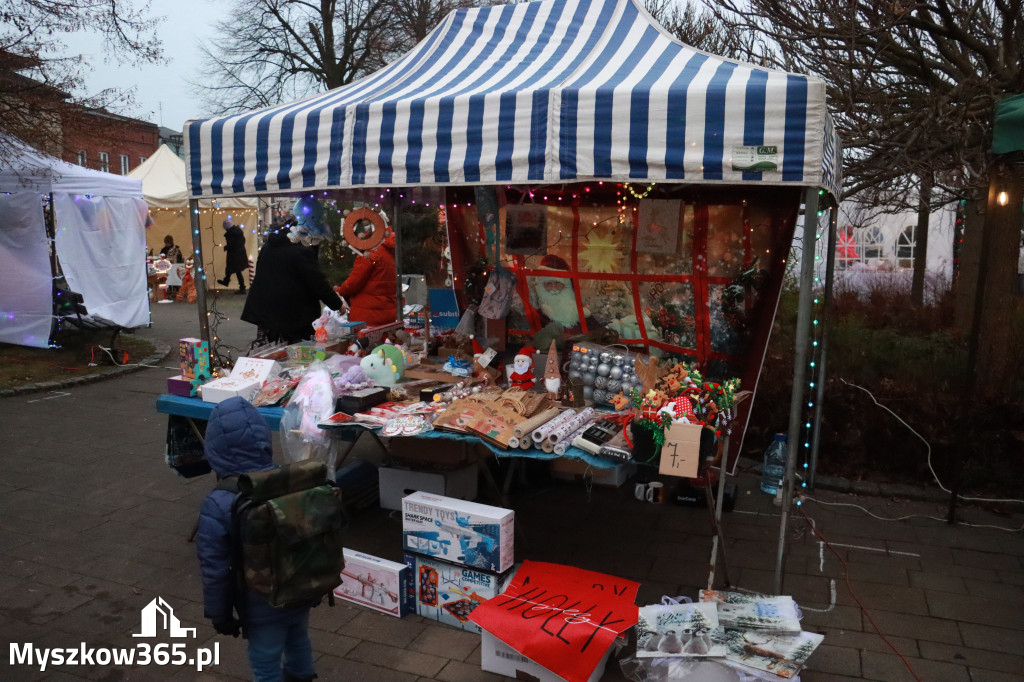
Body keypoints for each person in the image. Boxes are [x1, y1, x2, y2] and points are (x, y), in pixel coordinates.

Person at [195, 397, 318, 682]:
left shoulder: (219, 501)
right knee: (298, 638)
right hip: (300, 588)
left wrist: (220, 613)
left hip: (259, 603)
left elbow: (214, 567)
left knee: (264, 660)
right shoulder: (286, 480)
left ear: (214, 449)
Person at [242, 223, 345, 344]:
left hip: (267, 310)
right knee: (293, 354)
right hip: (291, 314)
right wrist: (338, 304)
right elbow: (317, 282)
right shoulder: (301, 250)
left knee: (270, 351)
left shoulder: (270, 245)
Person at [334, 235, 397, 326]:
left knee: (365, 339)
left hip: (368, 314)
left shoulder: (369, 253)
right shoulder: (387, 253)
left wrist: (340, 290)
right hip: (387, 312)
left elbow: (354, 282)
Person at [219, 218, 249, 293]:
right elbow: (240, 242)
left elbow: (232, 244)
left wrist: (226, 247)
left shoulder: (231, 234)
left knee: (236, 270)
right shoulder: (237, 232)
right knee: (232, 268)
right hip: (239, 253)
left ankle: (242, 288)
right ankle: (227, 281)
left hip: (235, 254)